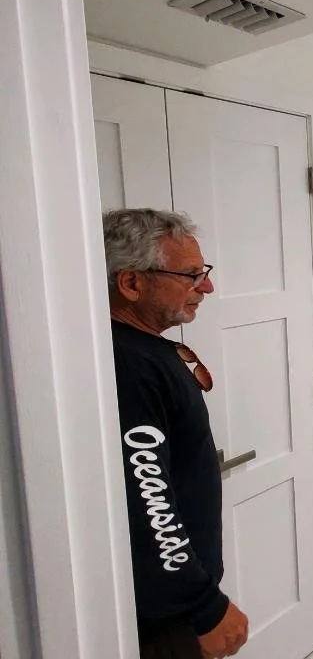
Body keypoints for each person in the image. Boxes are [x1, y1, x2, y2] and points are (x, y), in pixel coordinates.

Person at [103, 208, 249, 659]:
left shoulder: (143, 349)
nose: (206, 287)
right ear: (131, 283)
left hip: (177, 600)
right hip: (169, 615)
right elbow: (147, 500)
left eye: (203, 272)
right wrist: (204, 606)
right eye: (190, 275)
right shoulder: (129, 367)